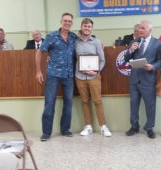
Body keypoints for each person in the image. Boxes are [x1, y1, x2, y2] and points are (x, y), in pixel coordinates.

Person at [35, 12, 77, 141]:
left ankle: (65, 130)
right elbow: (39, 52)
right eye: (65, 20)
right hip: (53, 74)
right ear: (61, 21)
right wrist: (38, 71)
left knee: (68, 103)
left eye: (69, 21)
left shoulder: (74, 37)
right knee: (49, 103)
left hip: (69, 75)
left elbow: (86, 41)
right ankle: (46, 132)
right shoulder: (52, 36)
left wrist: (99, 44)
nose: (67, 23)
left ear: (72, 23)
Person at [124, 20, 161, 139]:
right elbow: (126, 58)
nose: (140, 30)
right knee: (133, 105)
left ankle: (149, 128)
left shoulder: (158, 43)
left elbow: (160, 61)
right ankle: (134, 126)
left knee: (150, 105)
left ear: (150, 30)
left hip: (148, 79)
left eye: (143, 28)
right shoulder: (134, 41)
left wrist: (153, 66)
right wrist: (131, 50)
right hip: (134, 80)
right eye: (139, 28)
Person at [75, 18, 112, 137]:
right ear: (81, 27)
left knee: (97, 101)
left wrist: (96, 71)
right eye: (85, 26)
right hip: (79, 76)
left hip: (94, 76)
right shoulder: (74, 42)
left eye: (89, 26)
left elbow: (102, 60)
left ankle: (103, 126)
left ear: (92, 28)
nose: (87, 28)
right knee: (85, 101)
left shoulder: (96, 42)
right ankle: (88, 126)